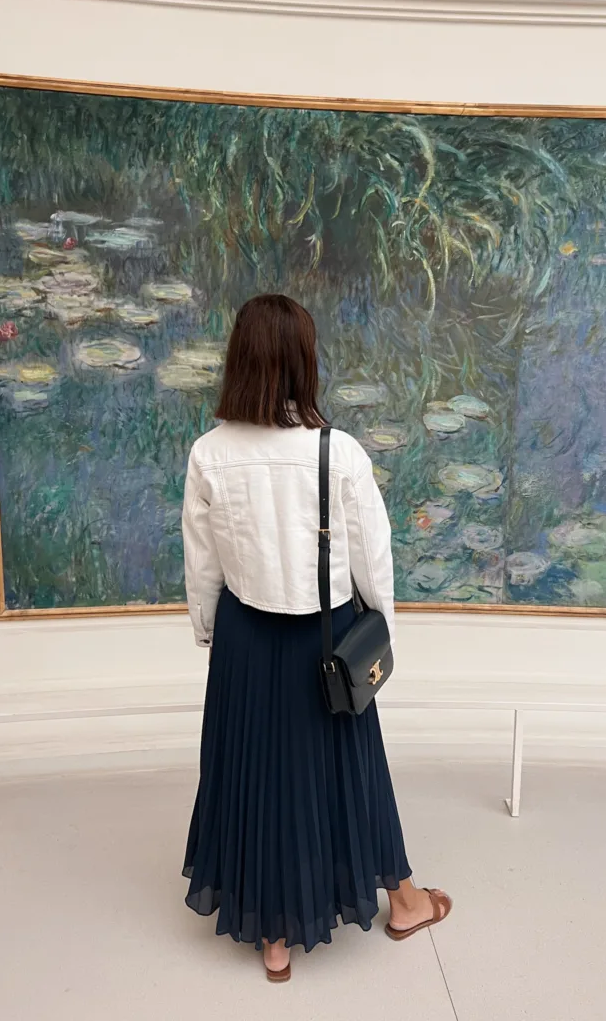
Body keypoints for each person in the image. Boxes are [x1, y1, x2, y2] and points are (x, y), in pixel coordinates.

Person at [181, 293, 451, 982]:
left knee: (255, 776)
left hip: (245, 636)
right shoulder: (340, 453)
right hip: (325, 642)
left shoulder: (209, 453)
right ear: (305, 362)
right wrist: (383, 631)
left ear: (238, 362)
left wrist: (209, 632)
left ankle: (273, 938)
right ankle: (403, 901)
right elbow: (374, 560)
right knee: (349, 775)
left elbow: (202, 562)